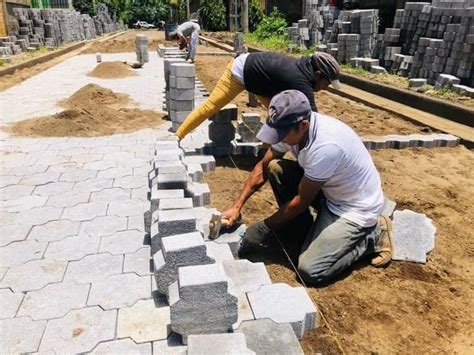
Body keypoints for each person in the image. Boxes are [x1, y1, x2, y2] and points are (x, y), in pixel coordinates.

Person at [222, 90, 393, 284]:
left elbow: (303, 201)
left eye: (281, 134)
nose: (278, 138)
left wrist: (263, 227)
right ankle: (303, 230)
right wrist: (237, 206)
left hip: (353, 208)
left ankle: (372, 235)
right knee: (274, 167)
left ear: (303, 126)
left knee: (310, 270)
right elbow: (262, 166)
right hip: (330, 190)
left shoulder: (326, 147)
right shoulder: (294, 129)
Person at [175, 51, 341, 140]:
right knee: (211, 106)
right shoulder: (300, 81)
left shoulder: (303, 71)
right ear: (318, 74)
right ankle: (177, 137)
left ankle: (266, 152)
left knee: (278, 117)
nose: (325, 88)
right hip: (239, 72)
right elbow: (313, 119)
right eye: (326, 84)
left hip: (261, 84)